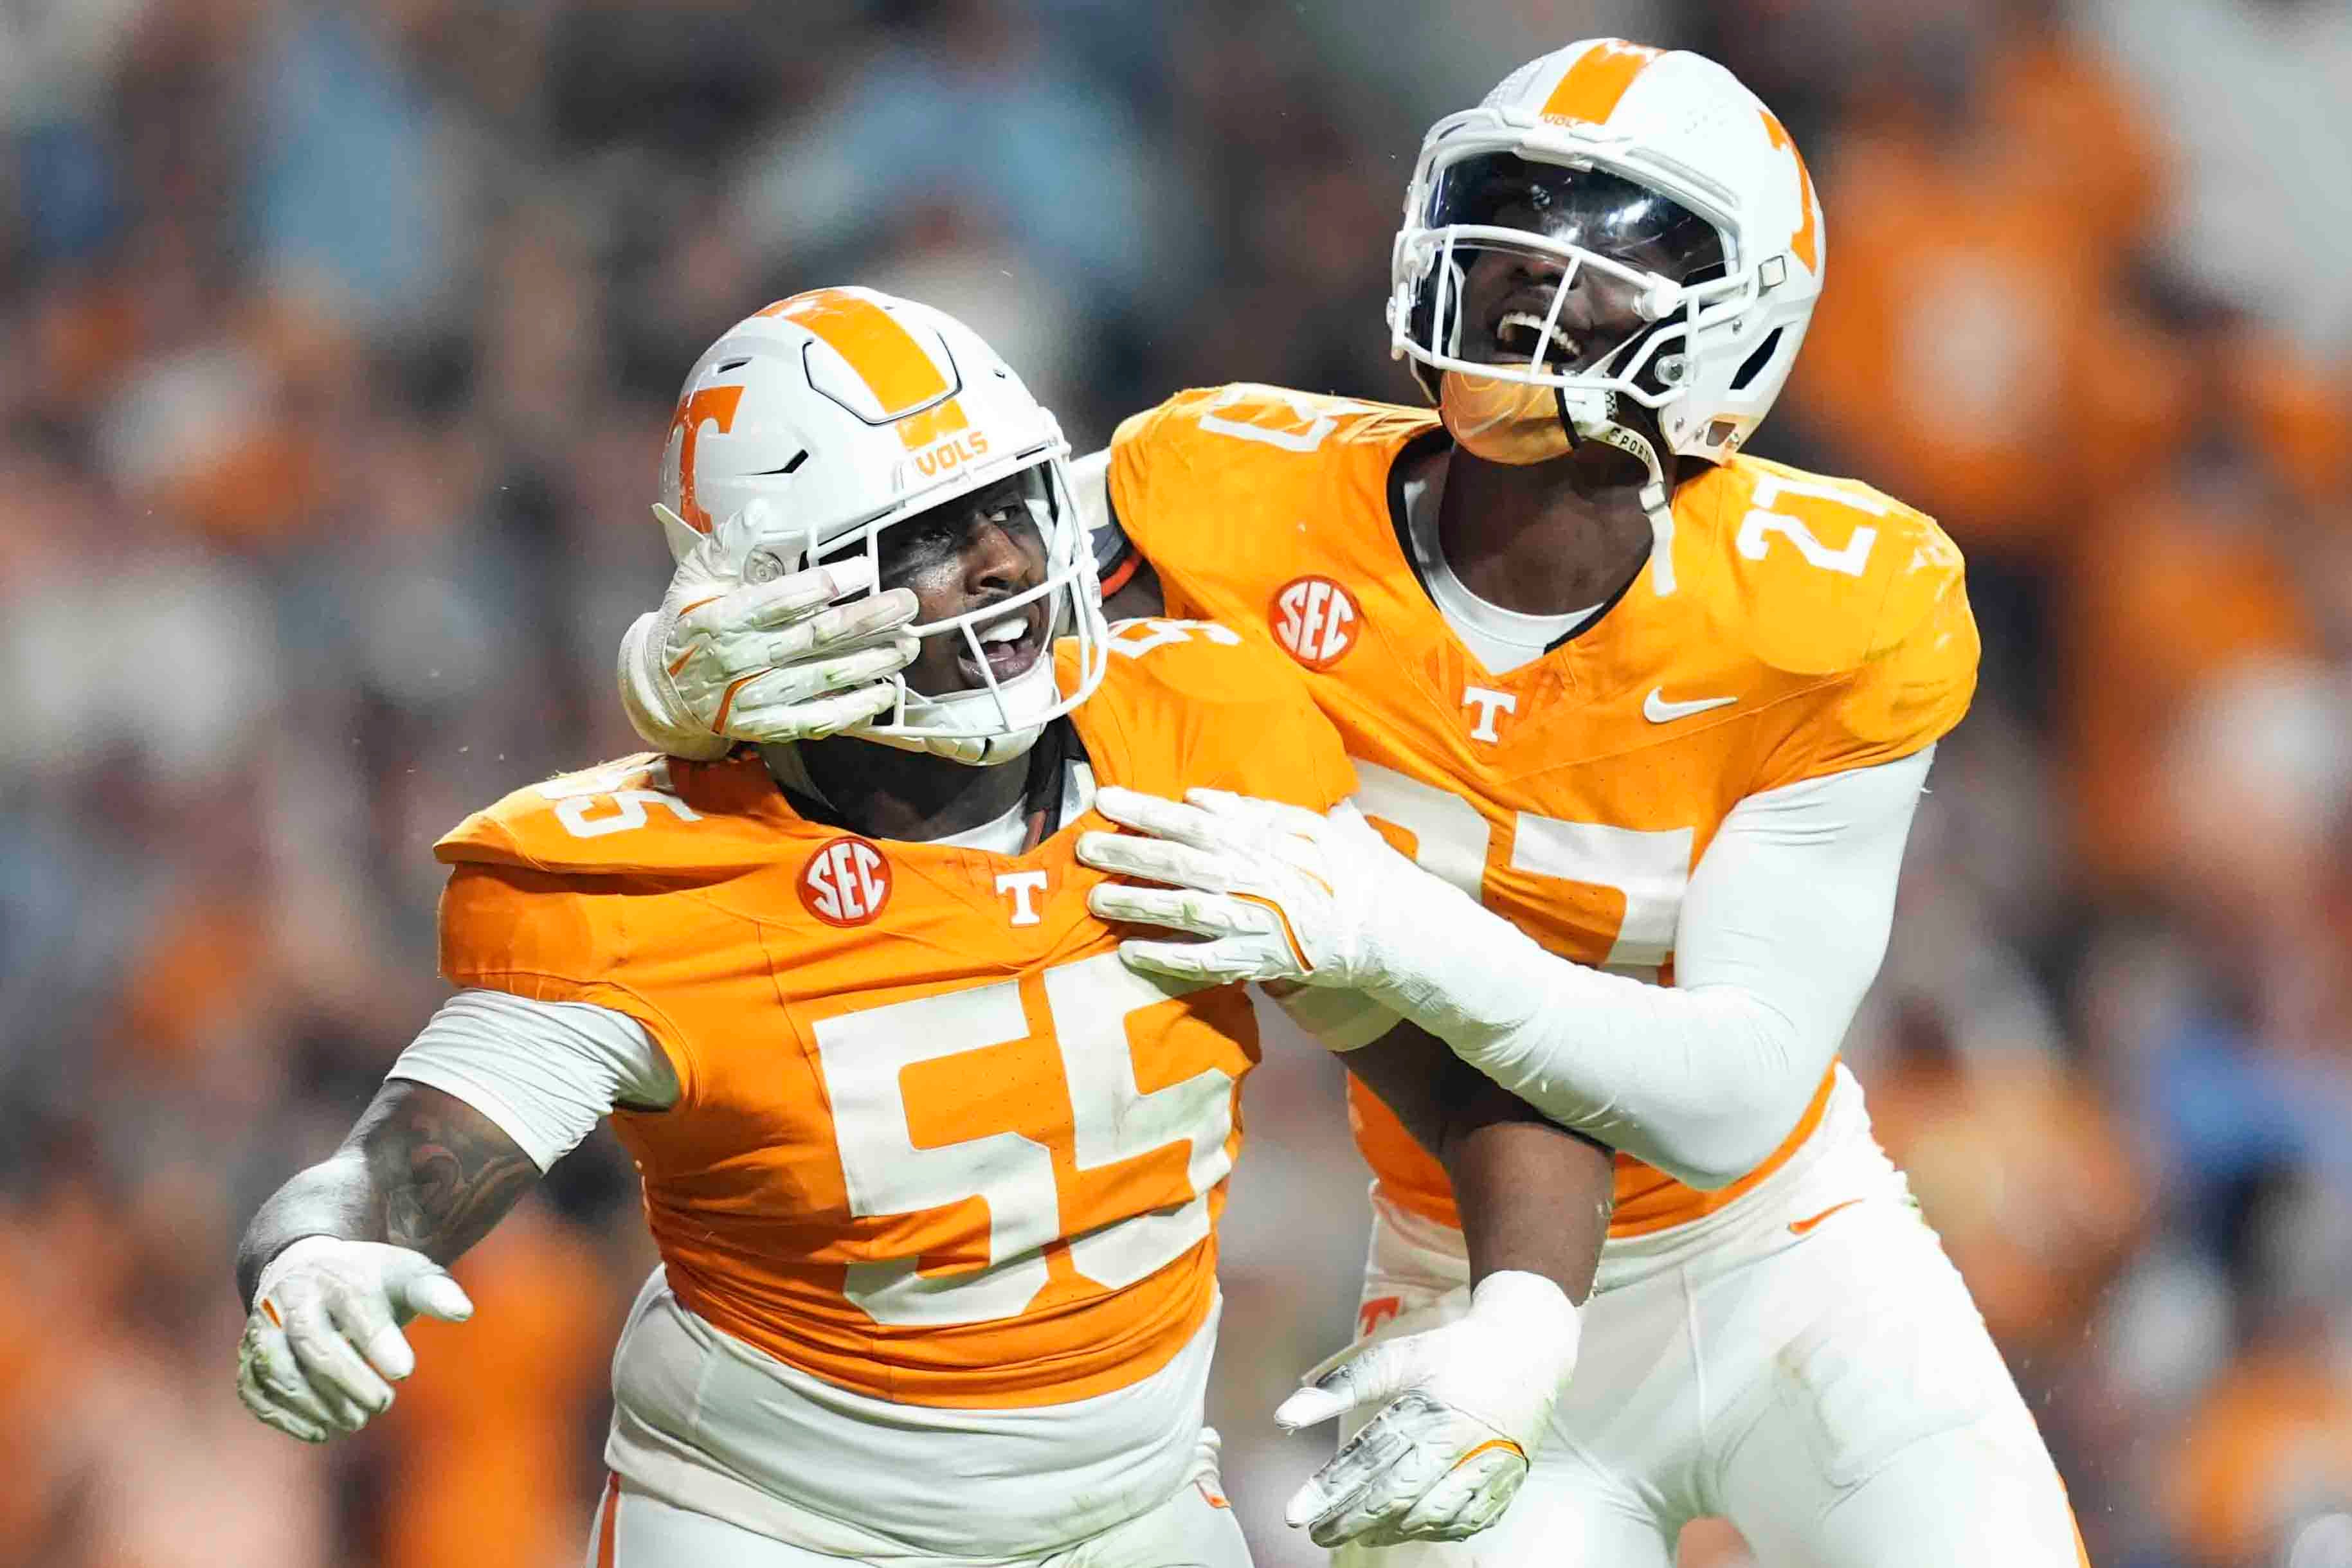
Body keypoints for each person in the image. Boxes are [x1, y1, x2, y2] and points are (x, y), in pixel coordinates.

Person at [615, 42, 2093, 1567]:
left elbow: (1728, 1094)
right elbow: (922, 565)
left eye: (1598, 250)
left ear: (1741, 314)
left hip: (1785, 1254)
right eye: (1508, 218)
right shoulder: (1226, 482)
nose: (1527, 279)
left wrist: (1386, 927)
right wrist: (664, 667)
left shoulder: (1840, 603)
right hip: (1464, 1260)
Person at [230, 288, 1596, 1567]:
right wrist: (321, 1253)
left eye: (1010, 505)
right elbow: (397, 1165)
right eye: (931, 533)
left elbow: (1485, 1067)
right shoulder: (652, 879)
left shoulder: (1202, 739)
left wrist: (1523, 1319)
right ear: (773, 589)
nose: (1002, 558)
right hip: (777, 1522)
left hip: (1135, 1505)